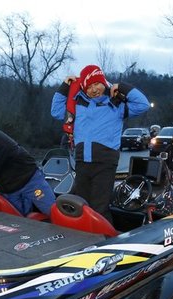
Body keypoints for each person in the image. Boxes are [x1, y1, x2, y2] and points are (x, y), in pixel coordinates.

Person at [50, 65, 149, 222]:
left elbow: (143, 104)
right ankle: (81, 236)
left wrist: (123, 86)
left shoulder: (116, 104)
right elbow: (55, 111)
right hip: (82, 161)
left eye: (97, 84)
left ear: (104, 81)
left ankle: (104, 239)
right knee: (80, 204)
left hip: (105, 163)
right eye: (89, 87)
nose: (94, 89)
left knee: (99, 207)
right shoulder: (77, 104)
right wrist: (64, 87)